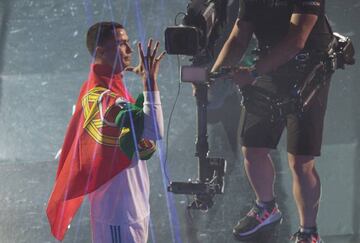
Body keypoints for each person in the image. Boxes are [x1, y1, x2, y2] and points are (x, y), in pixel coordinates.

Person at [211, 1, 333, 242]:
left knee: (300, 161)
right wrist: (214, 76)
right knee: (253, 148)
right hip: (268, 66)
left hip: (308, 69)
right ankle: (266, 207)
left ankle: (308, 232)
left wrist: (253, 73)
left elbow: (297, 39)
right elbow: (239, 35)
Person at [46, 21, 165, 243]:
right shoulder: (103, 97)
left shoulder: (111, 87)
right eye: (121, 43)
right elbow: (154, 129)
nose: (130, 50)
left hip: (131, 207)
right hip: (118, 214)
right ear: (101, 51)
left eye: (128, 42)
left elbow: (141, 139)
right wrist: (150, 80)